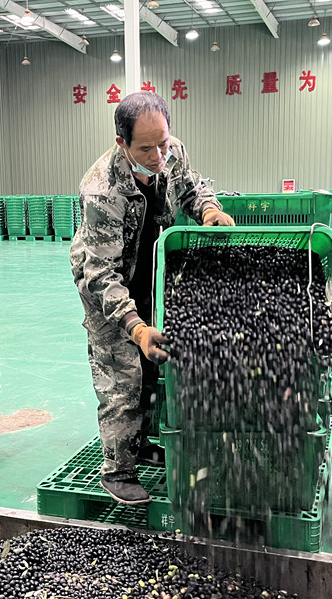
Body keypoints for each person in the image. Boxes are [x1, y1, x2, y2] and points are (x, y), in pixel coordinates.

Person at [69, 91, 235, 505]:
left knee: (150, 366)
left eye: (162, 143)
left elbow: (192, 189)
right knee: (122, 374)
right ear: (122, 143)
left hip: (150, 273)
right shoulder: (102, 189)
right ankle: (118, 471)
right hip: (106, 284)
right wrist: (136, 327)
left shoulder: (171, 152)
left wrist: (209, 210)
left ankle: (140, 442)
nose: (159, 155)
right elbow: (100, 274)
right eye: (146, 149)